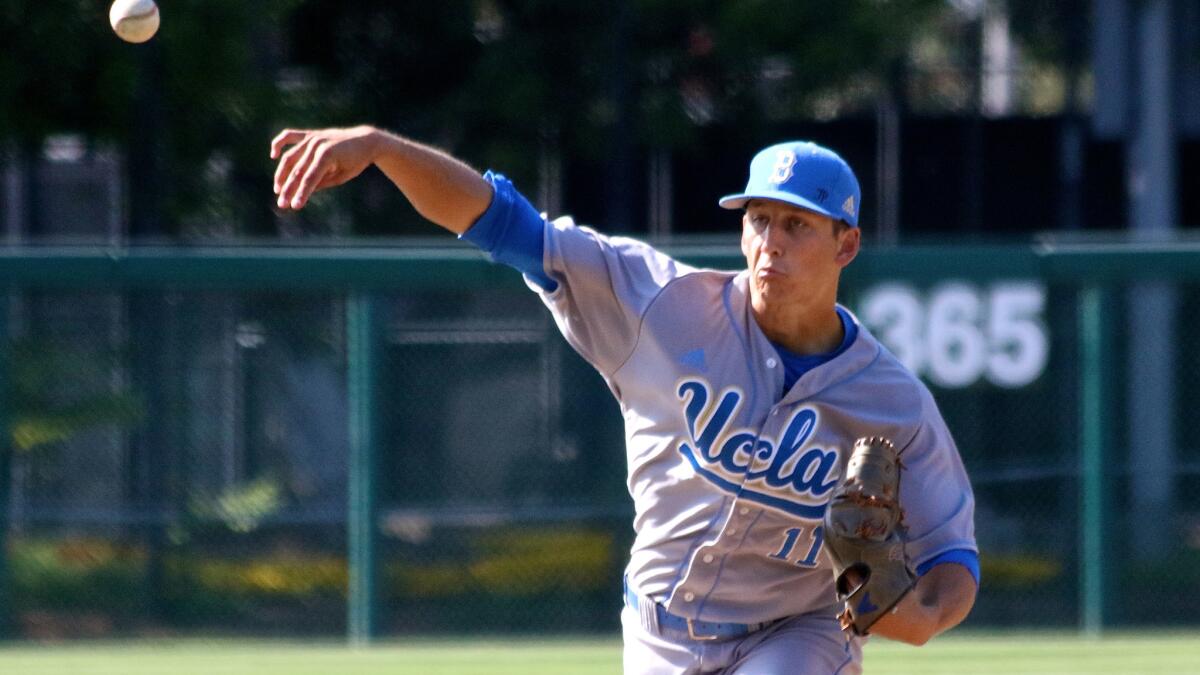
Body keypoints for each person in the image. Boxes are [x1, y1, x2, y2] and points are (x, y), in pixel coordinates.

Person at [270, 126, 979, 674]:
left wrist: (927, 613)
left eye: (797, 225)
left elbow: (952, 551)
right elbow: (505, 223)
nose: (770, 244)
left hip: (797, 629)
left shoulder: (893, 403)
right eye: (758, 219)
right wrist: (385, 149)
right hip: (658, 627)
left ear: (845, 244)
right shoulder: (662, 306)